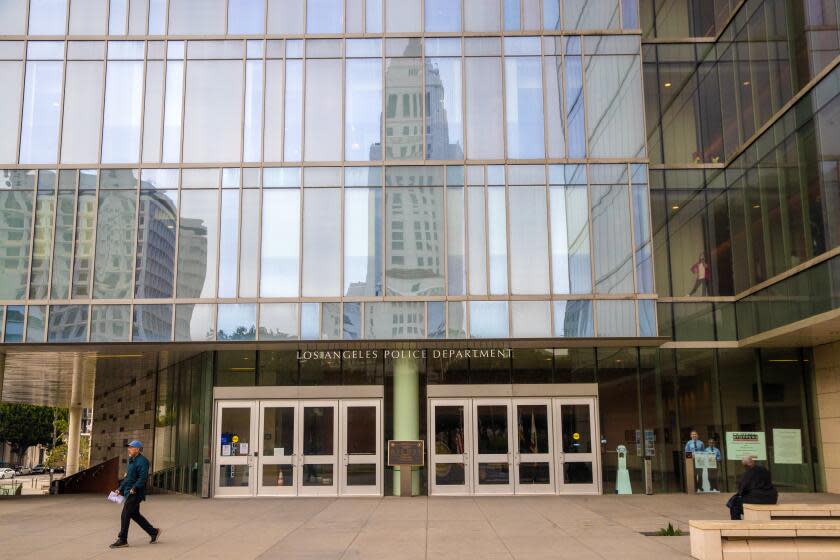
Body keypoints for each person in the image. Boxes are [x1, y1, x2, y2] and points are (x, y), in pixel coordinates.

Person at [110, 441, 161, 548]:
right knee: (135, 515)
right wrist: (120, 489)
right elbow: (127, 478)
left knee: (125, 514)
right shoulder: (131, 460)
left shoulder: (143, 462)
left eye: (131, 447)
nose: (129, 449)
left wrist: (135, 487)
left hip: (136, 493)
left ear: (138, 449)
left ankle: (123, 539)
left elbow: (143, 478)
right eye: (129, 447)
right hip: (129, 491)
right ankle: (153, 532)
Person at [727, 455, 778, 520]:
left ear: (745, 466)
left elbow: (742, 490)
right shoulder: (764, 470)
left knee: (734, 503)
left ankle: (737, 525)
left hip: (757, 499)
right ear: (753, 462)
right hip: (771, 499)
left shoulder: (747, 474)